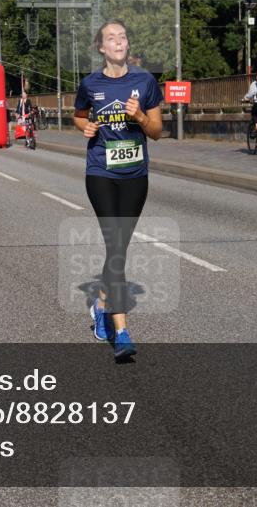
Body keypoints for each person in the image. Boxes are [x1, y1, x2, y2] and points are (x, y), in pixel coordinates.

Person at [73, 19, 163, 360]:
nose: (119, 41)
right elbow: (78, 115)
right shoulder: (90, 83)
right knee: (115, 244)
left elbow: (156, 132)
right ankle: (121, 331)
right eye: (111, 38)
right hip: (100, 172)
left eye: (123, 36)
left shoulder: (145, 80)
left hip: (135, 174)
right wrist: (87, 126)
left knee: (119, 247)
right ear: (101, 47)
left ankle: (101, 303)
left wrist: (140, 116)